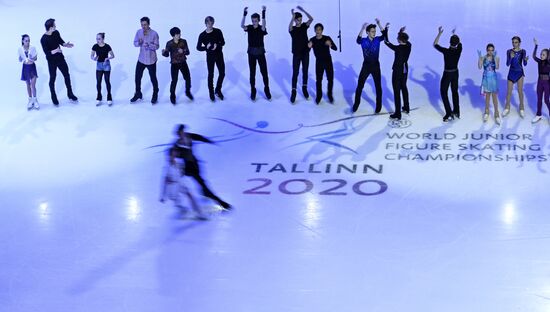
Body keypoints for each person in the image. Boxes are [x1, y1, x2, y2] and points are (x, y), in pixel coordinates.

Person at [172, 124, 232, 210]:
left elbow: (199, 137)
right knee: (177, 182)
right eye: (180, 133)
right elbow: (173, 155)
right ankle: (221, 203)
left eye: (182, 132)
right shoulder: (177, 145)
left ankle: (208, 195)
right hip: (187, 168)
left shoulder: (188, 136)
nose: (182, 134)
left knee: (202, 184)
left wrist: (209, 141)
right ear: (178, 134)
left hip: (194, 165)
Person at [160, 148, 207, 220]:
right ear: (169, 155)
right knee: (176, 201)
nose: (175, 155)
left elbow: (182, 173)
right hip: (173, 187)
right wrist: (163, 196)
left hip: (181, 184)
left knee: (190, 196)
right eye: (173, 154)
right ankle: (180, 208)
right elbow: (164, 182)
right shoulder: (167, 168)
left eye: (175, 153)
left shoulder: (179, 162)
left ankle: (199, 213)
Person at [40, 18, 78, 106]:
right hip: (51, 61)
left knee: (67, 75)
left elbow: (61, 41)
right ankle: (53, 96)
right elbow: (47, 53)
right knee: (53, 78)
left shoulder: (56, 32)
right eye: (54, 25)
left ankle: (70, 94)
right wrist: (56, 50)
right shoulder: (43, 39)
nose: (55, 26)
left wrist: (66, 45)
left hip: (60, 58)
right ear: (50, 27)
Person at [353, 19, 386, 113]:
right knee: (360, 86)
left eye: (375, 31)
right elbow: (358, 40)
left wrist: (379, 24)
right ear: (367, 32)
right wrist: (362, 28)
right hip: (366, 66)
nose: (374, 33)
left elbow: (384, 36)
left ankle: (378, 106)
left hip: (376, 66)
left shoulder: (377, 40)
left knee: (378, 87)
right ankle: (356, 104)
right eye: (372, 31)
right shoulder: (363, 41)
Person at [241, 6, 271, 101]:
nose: (254, 22)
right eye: (253, 20)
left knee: (264, 72)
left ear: (258, 20)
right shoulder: (249, 27)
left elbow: (264, 25)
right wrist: (244, 14)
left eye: (256, 20)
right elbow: (242, 25)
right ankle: (253, 90)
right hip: (251, 53)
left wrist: (263, 13)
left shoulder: (261, 28)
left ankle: (267, 89)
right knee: (252, 73)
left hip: (260, 52)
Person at [382, 24, 412, 120]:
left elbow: (386, 42)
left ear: (400, 40)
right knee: (404, 87)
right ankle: (406, 107)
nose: (396, 38)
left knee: (396, 91)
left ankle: (398, 113)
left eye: (397, 37)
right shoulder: (409, 45)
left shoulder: (398, 48)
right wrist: (400, 32)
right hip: (405, 70)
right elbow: (404, 40)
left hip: (397, 71)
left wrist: (386, 30)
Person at [433, 26, 462, 122]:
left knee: (443, 92)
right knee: (455, 92)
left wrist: (439, 33)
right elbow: (459, 43)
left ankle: (449, 113)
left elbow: (435, 44)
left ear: (450, 42)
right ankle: (457, 111)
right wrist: (454, 34)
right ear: (457, 43)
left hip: (447, 74)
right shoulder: (459, 50)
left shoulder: (446, 51)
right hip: (455, 73)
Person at [131, 17, 160, 104]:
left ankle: (155, 93)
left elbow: (157, 46)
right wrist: (139, 43)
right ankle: (138, 93)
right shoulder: (138, 32)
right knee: (137, 77)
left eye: (145, 24)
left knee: (153, 78)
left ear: (149, 24)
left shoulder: (154, 34)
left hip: (151, 60)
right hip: (141, 59)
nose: (143, 26)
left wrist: (150, 46)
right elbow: (135, 43)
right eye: (142, 24)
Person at [197, 16, 225, 102]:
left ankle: (218, 90)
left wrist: (217, 45)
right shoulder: (202, 35)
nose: (210, 24)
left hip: (219, 55)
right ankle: (211, 93)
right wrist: (206, 47)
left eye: (211, 22)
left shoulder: (218, 31)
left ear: (213, 23)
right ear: (205, 23)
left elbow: (223, 42)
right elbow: (198, 47)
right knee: (211, 74)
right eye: (208, 23)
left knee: (222, 73)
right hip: (210, 57)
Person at [289, 6, 314, 103]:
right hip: (296, 54)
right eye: (298, 20)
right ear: (295, 20)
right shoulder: (293, 29)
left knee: (305, 71)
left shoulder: (304, 26)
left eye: (300, 19)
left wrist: (303, 10)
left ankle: (304, 88)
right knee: (295, 72)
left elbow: (311, 19)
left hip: (305, 53)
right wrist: (292, 16)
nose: (299, 21)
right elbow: (289, 28)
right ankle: (293, 91)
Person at [308, 23, 337, 104]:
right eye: (316, 29)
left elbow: (335, 48)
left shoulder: (327, 38)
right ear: (314, 30)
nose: (318, 31)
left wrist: (330, 44)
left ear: (322, 30)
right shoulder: (312, 39)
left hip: (328, 60)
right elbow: (307, 51)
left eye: (319, 29)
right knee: (319, 80)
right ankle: (319, 96)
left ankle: (330, 95)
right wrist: (308, 47)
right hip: (319, 62)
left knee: (330, 79)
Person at [162, 27, 193, 105]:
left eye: (179, 33)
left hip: (183, 62)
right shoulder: (169, 43)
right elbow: (166, 54)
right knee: (174, 81)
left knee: (188, 78)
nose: (179, 35)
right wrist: (163, 52)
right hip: (174, 64)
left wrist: (183, 51)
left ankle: (188, 92)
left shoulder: (183, 41)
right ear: (173, 35)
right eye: (177, 34)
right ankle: (172, 96)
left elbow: (188, 52)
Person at [477, 44, 501, 125]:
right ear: (486, 50)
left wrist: (494, 58)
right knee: (487, 97)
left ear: (493, 50)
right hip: (486, 78)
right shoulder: (483, 58)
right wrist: (480, 59)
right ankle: (486, 112)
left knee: (494, 98)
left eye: (492, 50)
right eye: (489, 50)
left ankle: (496, 114)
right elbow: (480, 67)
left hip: (493, 79)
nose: (490, 51)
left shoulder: (496, 58)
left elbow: (497, 67)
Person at [91, 32, 114, 106]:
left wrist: (108, 58)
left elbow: (113, 55)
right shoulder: (95, 46)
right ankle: (99, 97)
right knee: (98, 82)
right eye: (96, 39)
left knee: (107, 81)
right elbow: (91, 56)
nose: (97, 40)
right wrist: (94, 58)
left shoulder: (107, 46)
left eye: (99, 39)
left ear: (103, 39)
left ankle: (109, 97)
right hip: (99, 65)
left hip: (106, 65)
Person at [531, 38, 550, 123]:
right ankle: (539, 115)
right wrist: (536, 46)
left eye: (543, 55)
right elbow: (534, 56)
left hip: (547, 83)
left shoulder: (549, 62)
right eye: (541, 54)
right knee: (539, 99)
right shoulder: (539, 61)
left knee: (546, 100)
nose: (541, 56)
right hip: (540, 82)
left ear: (547, 56)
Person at [19, 34, 39, 110]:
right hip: (25, 68)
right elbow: (20, 60)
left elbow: (36, 58)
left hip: (32, 67)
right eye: (26, 40)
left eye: (29, 40)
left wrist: (31, 57)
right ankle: (30, 100)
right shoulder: (20, 49)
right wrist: (21, 58)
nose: (28, 42)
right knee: (28, 85)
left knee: (33, 85)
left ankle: (35, 100)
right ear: (23, 41)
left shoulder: (33, 48)